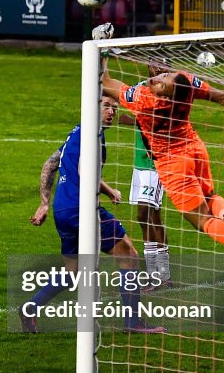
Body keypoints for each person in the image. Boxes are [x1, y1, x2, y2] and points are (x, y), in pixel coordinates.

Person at [98, 31, 224, 275]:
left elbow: (107, 83)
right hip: (194, 149)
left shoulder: (144, 99)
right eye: (162, 75)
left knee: (201, 221)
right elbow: (222, 96)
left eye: (162, 82)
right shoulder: (185, 82)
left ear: (163, 95)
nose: (158, 78)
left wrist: (102, 50)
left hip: (172, 163)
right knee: (211, 198)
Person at [25, 98, 164, 334]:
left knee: (72, 273)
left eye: (114, 108)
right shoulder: (93, 136)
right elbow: (84, 172)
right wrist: (96, 205)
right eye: (106, 106)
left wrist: (45, 203)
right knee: (129, 255)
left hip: (63, 210)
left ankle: (30, 309)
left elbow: (49, 165)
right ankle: (133, 322)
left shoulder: (75, 133)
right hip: (83, 210)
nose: (111, 112)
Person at [118, 58, 173, 287]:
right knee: (144, 216)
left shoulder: (171, 91)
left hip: (157, 161)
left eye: (163, 64)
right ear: (148, 67)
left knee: (150, 214)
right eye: (154, 64)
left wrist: (132, 121)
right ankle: (157, 274)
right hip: (139, 161)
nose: (159, 68)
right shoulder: (140, 88)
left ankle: (161, 274)